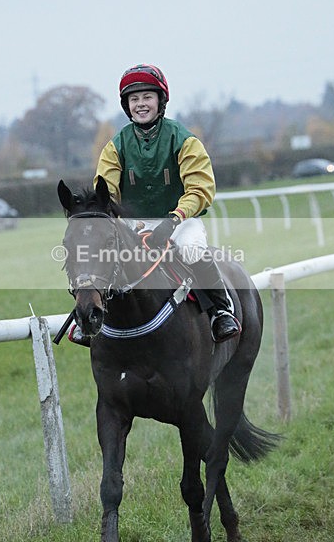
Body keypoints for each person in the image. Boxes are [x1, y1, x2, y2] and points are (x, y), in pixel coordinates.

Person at [93, 63, 239, 343]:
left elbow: (201, 188)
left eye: (147, 97)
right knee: (104, 257)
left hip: (180, 221)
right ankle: (91, 318)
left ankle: (221, 311)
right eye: (134, 99)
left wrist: (174, 219)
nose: (141, 104)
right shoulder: (115, 146)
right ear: (127, 106)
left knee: (192, 249)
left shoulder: (183, 139)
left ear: (160, 100)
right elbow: (105, 191)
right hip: (133, 225)